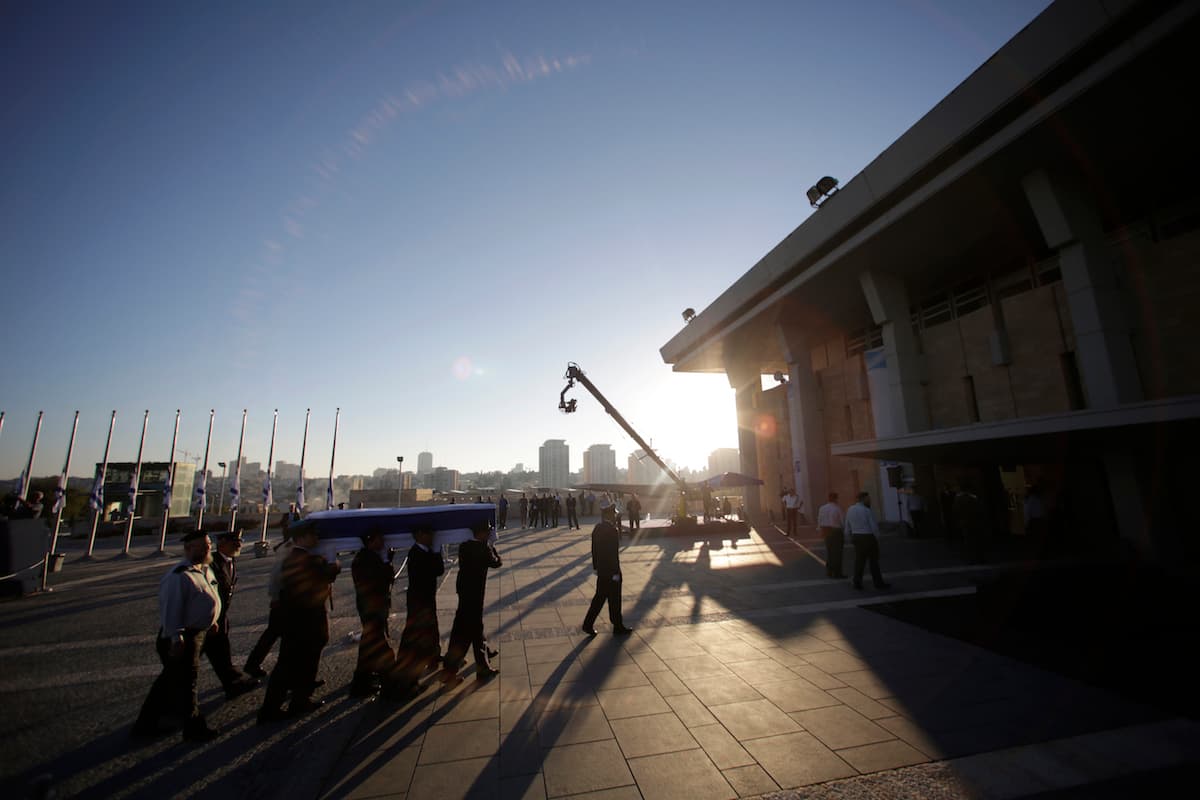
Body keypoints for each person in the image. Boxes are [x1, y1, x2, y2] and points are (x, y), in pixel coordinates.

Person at [133, 530, 221, 742]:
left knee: (169, 682)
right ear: (188, 549)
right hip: (181, 638)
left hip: (197, 634)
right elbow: (171, 610)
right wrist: (176, 637)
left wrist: (212, 621)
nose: (207, 549)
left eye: (208, 544)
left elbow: (207, 599)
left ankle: (145, 724)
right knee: (187, 684)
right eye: (201, 546)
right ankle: (194, 728)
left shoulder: (205, 570)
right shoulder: (179, 575)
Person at [258, 524, 341, 723]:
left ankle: (299, 697)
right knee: (293, 662)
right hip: (305, 619)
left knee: (297, 661)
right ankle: (275, 707)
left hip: (300, 618)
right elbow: (327, 574)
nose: (317, 539)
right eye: (314, 535)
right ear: (302, 537)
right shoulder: (303, 559)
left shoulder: (297, 557)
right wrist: (333, 563)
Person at [440, 521, 501, 683]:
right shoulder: (482, 548)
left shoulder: (465, 546)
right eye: (487, 532)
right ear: (479, 533)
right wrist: (491, 545)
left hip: (464, 591)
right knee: (469, 631)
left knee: (467, 628)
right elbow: (496, 563)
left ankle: (481, 662)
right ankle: (454, 668)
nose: (488, 534)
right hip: (474, 594)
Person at [202, 530, 259, 699]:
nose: (239, 544)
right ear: (221, 544)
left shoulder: (231, 560)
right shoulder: (211, 563)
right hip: (206, 620)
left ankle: (232, 683)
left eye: (240, 541)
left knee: (221, 654)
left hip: (219, 617)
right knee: (187, 664)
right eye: (234, 542)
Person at [394, 526, 445, 692]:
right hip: (419, 602)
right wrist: (437, 553)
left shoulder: (422, 551)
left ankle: (431, 657)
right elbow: (438, 570)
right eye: (429, 533)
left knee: (428, 632)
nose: (432, 537)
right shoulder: (417, 553)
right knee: (415, 640)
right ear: (420, 535)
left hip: (424, 600)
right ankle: (408, 679)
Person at [350, 527, 396, 698]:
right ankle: (392, 682)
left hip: (372, 607)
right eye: (379, 539)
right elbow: (382, 580)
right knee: (380, 646)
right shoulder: (366, 560)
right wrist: (386, 563)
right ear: (370, 541)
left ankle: (361, 684)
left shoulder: (367, 557)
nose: (383, 542)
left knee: (368, 646)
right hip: (372, 608)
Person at [243, 532, 292, 679]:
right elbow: (277, 574)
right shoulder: (290, 548)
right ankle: (258, 666)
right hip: (284, 599)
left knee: (273, 634)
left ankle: (253, 664)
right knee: (277, 634)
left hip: (285, 598)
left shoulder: (291, 546)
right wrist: (275, 596)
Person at [582, 504, 633, 636]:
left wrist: (596, 567)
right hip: (611, 571)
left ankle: (590, 624)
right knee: (614, 599)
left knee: (599, 598)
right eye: (614, 514)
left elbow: (594, 550)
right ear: (609, 515)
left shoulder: (597, 528)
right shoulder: (611, 530)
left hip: (602, 570)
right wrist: (616, 572)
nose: (616, 516)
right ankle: (617, 625)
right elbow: (612, 554)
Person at [844, 492, 890, 591]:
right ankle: (878, 583)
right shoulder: (867, 510)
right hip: (868, 537)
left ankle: (857, 582)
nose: (870, 500)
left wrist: (849, 537)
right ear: (863, 499)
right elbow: (873, 526)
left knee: (859, 561)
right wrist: (877, 538)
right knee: (873, 561)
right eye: (868, 498)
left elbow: (847, 524)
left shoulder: (850, 509)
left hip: (856, 536)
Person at [816, 492, 847, 578]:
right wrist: (845, 531)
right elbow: (843, 521)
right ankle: (837, 573)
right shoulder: (838, 508)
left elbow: (819, 519)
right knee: (837, 553)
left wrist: (820, 530)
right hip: (836, 531)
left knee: (829, 552)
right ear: (836, 499)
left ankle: (829, 571)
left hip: (826, 530)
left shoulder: (822, 508)